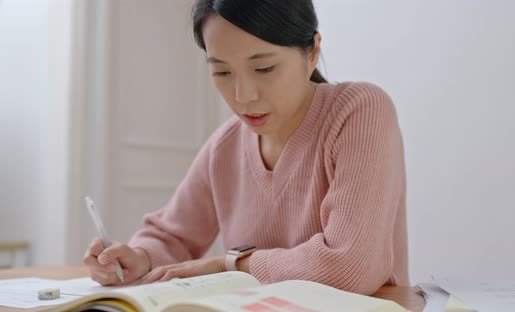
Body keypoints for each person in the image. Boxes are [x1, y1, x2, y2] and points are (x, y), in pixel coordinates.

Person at [83, 0, 409, 295]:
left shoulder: (359, 111)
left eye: (264, 68)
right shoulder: (225, 146)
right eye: (222, 72)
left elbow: (350, 266)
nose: (243, 95)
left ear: (312, 51)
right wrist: (139, 258)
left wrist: (231, 265)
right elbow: (172, 237)